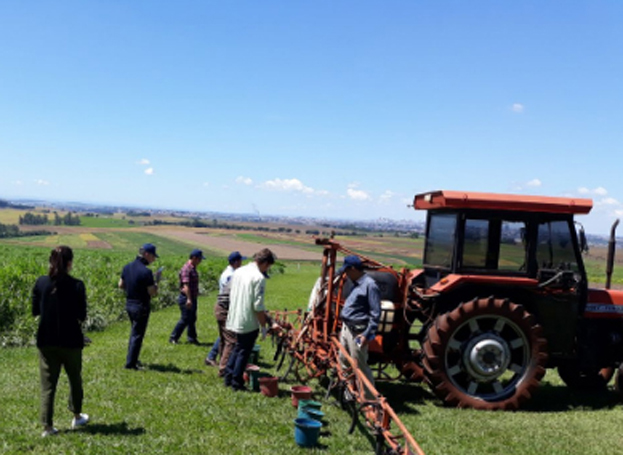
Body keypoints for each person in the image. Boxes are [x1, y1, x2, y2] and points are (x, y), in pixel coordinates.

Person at [32, 246, 89, 437]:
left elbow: (35, 310)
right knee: (75, 379)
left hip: (46, 340)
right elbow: (82, 315)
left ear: (51, 261)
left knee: (48, 385)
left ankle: (47, 427)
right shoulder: (78, 285)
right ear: (69, 263)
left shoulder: (40, 283)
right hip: (71, 340)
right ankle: (77, 415)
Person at [223, 248, 276, 391]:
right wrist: (263, 326)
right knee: (243, 352)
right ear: (264, 263)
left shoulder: (239, 271)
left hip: (234, 316)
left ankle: (228, 377)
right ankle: (236, 382)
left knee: (237, 347)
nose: (267, 269)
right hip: (248, 320)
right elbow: (258, 306)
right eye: (268, 266)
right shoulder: (258, 278)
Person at [338, 255, 381, 399]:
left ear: (354, 269)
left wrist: (366, 335)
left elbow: (376, 314)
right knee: (343, 360)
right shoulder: (355, 283)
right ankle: (349, 394)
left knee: (360, 366)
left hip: (358, 332)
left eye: (347, 271)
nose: (346, 274)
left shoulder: (370, 285)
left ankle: (370, 401)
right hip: (347, 328)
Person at [119, 243, 160, 370]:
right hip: (141, 305)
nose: (153, 260)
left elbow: (121, 285)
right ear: (146, 254)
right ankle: (131, 364)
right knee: (137, 335)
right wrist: (156, 281)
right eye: (153, 257)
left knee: (134, 332)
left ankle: (133, 357)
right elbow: (152, 292)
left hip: (129, 303)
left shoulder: (127, 267)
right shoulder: (146, 272)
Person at [205, 251, 246, 370]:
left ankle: (218, 358)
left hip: (224, 305)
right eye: (240, 261)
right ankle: (223, 365)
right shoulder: (230, 275)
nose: (242, 263)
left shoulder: (229, 273)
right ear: (236, 262)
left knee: (224, 336)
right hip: (226, 307)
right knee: (230, 339)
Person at [169, 249, 205, 345]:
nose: (200, 261)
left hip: (192, 297)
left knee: (192, 318)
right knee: (185, 319)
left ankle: (192, 338)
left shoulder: (192, 268)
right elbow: (186, 286)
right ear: (194, 258)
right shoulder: (187, 269)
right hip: (186, 298)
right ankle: (173, 337)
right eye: (199, 259)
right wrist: (189, 299)